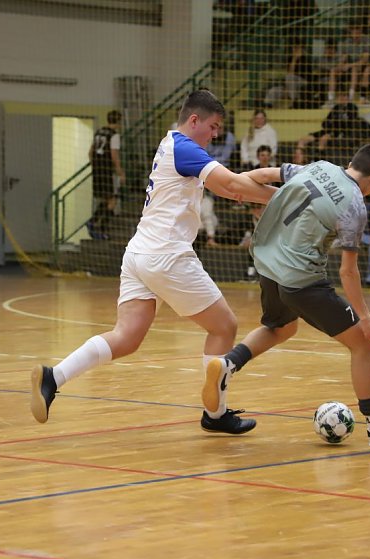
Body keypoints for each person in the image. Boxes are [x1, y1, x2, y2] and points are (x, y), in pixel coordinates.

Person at [30, 89, 275, 433]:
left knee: (126, 337)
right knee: (224, 327)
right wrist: (288, 197)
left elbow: (236, 183)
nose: (216, 134)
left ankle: (53, 377)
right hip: (166, 255)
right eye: (214, 126)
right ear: (194, 121)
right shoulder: (186, 148)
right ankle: (215, 414)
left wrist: (280, 177)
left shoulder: (171, 145)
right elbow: (232, 185)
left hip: (138, 254)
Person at [201, 144, 370, 449]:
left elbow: (263, 175)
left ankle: (228, 363)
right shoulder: (354, 206)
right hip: (300, 278)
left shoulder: (318, 166)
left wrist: (239, 190)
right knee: (362, 343)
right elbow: (348, 272)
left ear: (349, 163)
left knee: (281, 327)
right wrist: (366, 318)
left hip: (266, 262)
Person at [87, 110, 126, 239]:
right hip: (107, 170)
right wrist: (120, 172)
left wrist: (95, 165)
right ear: (119, 122)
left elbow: (90, 152)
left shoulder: (99, 132)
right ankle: (99, 226)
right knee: (113, 199)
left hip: (97, 169)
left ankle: (94, 223)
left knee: (106, 198)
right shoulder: (114, 136)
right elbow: (114, 155)